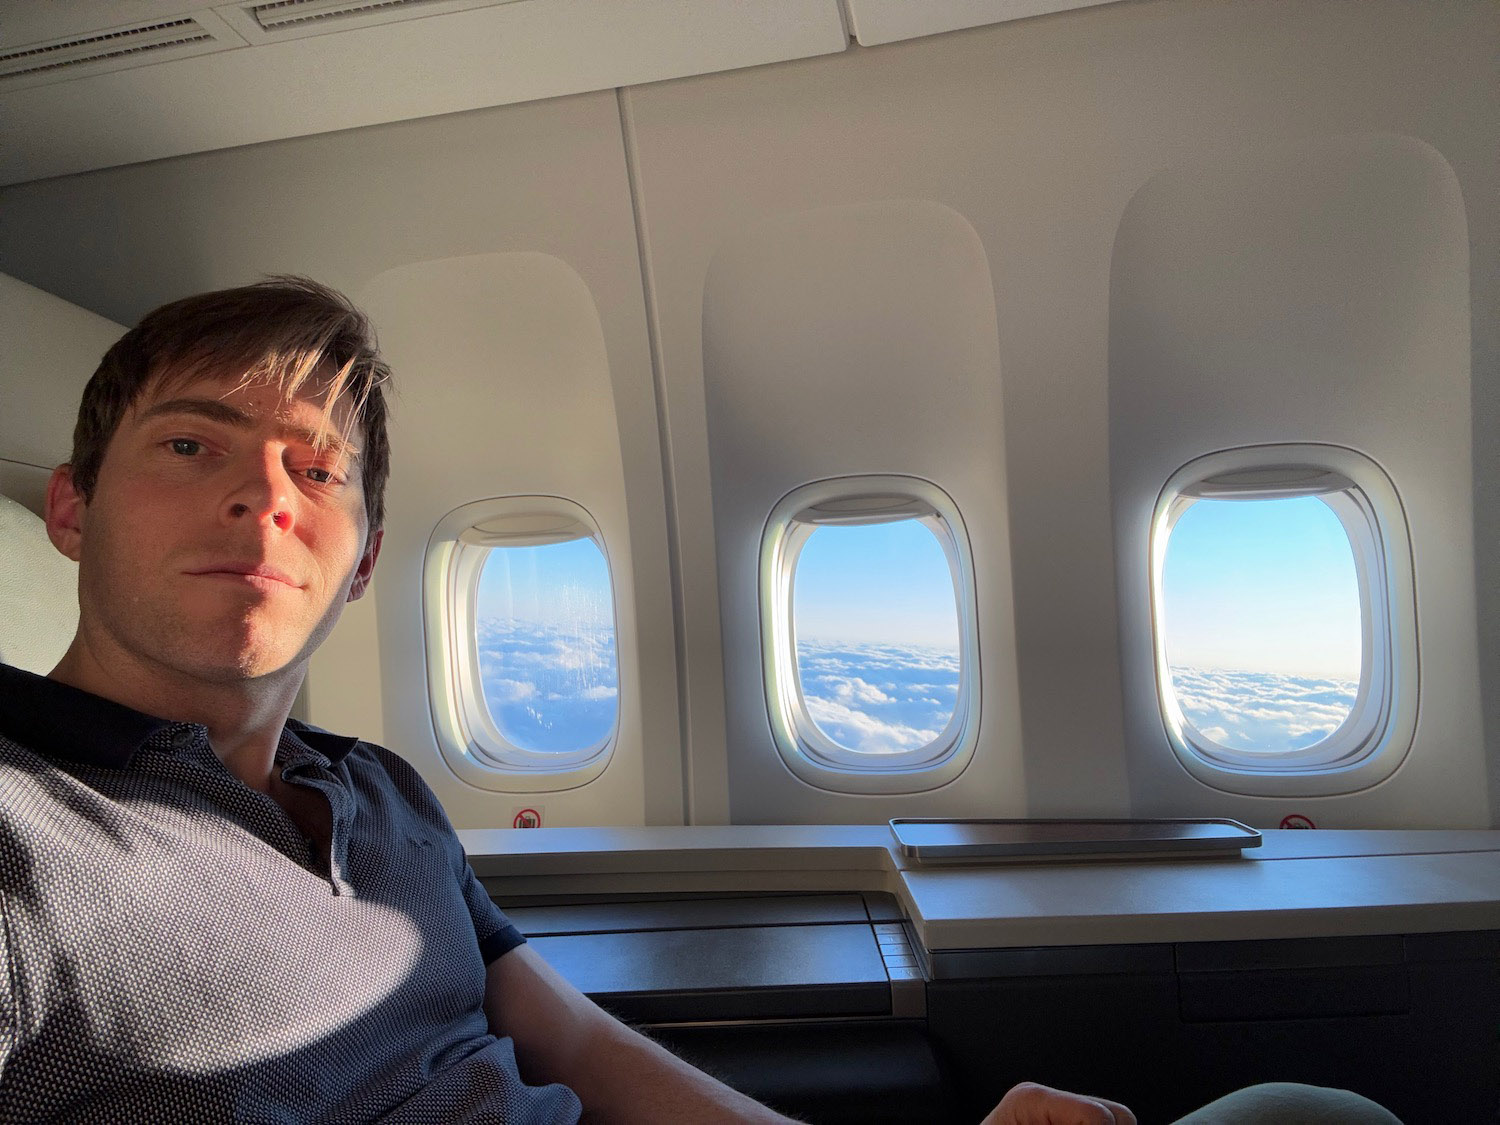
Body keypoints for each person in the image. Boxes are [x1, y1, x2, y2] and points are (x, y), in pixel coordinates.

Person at [0, 278, 1400, 1123]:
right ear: (73, 507)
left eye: (320, 471)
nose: (263, 496)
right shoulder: (24, 840)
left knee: (1306, 1107)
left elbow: (583, 1046)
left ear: (364, 561)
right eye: (193, 443)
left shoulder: (386, 799)